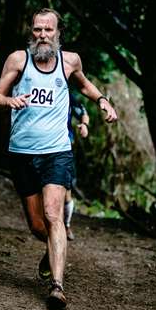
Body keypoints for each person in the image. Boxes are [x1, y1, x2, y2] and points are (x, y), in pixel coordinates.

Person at [0, 8, 117, 310]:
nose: (43, 35)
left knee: (53, 214)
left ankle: (57, 287)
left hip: (57, 151)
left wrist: (101, 101)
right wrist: (9, 100)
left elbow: (84, 85)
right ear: (31, 32)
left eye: (49, 30)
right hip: (22, 153)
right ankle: (50, 250)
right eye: (37, 30)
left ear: (59, 33)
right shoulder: (18, 60)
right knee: (37, 226)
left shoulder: (69, 61)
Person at [64, 92, 89, 242]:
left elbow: (82, 112)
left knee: (67, 191)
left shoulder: (67, 94)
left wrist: (84, 124)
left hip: (64, 147)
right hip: (37, 146)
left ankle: (66, 225)